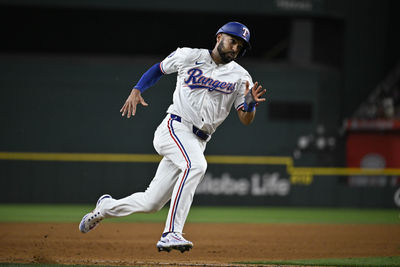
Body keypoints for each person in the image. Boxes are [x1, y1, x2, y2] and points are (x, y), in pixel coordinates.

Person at [79, 21, 266, 253]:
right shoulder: (188, 55)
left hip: (199, 140)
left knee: (151, 203)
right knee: (196, 166)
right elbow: (159, 69)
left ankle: (105, 208)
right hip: (175, 128)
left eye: (240, 46)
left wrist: (249, 105)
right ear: (219, 37)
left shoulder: (241, 76)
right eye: (233, 41)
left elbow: (245, 119)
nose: (235, 48)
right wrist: (137, 89)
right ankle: (171, 233)